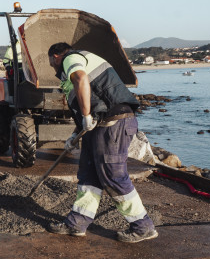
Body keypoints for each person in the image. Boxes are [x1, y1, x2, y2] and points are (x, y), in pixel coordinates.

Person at [46, 42, 158, 243]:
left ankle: (143, 226)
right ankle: (76, 223)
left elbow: (81, 80)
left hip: (113, 122)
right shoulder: (83, 58)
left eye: (52, 63)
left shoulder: (71, 58)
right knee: (88, 175)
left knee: (114, 175)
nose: (54, 68)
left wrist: (87, 115)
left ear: (55, 56)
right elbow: (86, 102)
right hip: (101, 125)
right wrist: (76, 133)